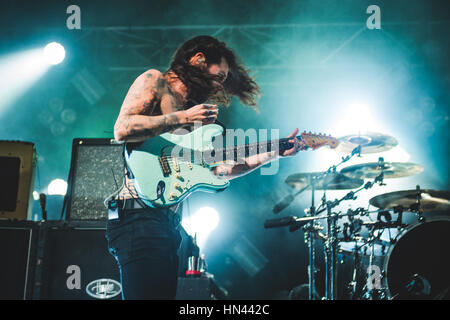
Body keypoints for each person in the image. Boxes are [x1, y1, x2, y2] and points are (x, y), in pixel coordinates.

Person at [106, 35, 303, 299]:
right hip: (137, 218)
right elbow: (122, 129)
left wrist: (276, 152)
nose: (220, 83)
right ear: (198, 59)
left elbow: (226, 169)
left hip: (167, 225)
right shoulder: (155, 81)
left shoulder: (195, 122)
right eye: (219, 75)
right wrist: (184, 117)